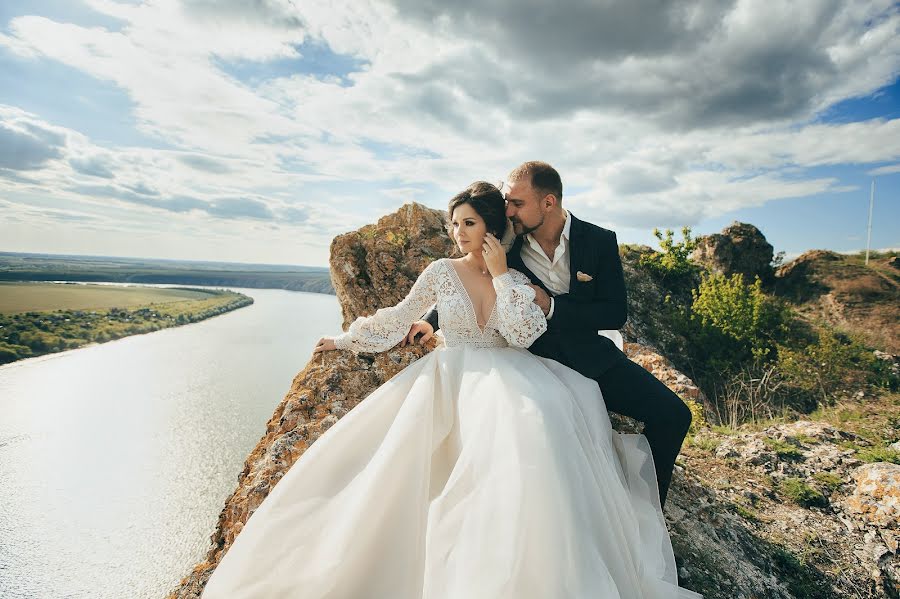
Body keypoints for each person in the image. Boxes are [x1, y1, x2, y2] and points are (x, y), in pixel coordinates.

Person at [201, 182, 701, 598]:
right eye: (453, 223)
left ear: (492, 227)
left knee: (531, 440)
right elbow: (402, 315)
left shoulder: (519, 274)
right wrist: (349, 338)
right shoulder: (441, 270)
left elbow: (525, 334)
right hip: (450, 375)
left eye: (469, 223)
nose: (458, 233)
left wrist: (505, 278)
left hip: (515, 372)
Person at [409, 162, 692, 508]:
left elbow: (615, 312)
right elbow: (472, 277)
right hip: (532, 361)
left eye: (517, 204)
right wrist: (431, 319)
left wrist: (553, 307)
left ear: (548, 203)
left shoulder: (599, 241)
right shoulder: (509, 241)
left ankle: (644, 513)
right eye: (507, 203)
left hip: (591, 358)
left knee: (675, 415)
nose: (507, 211)